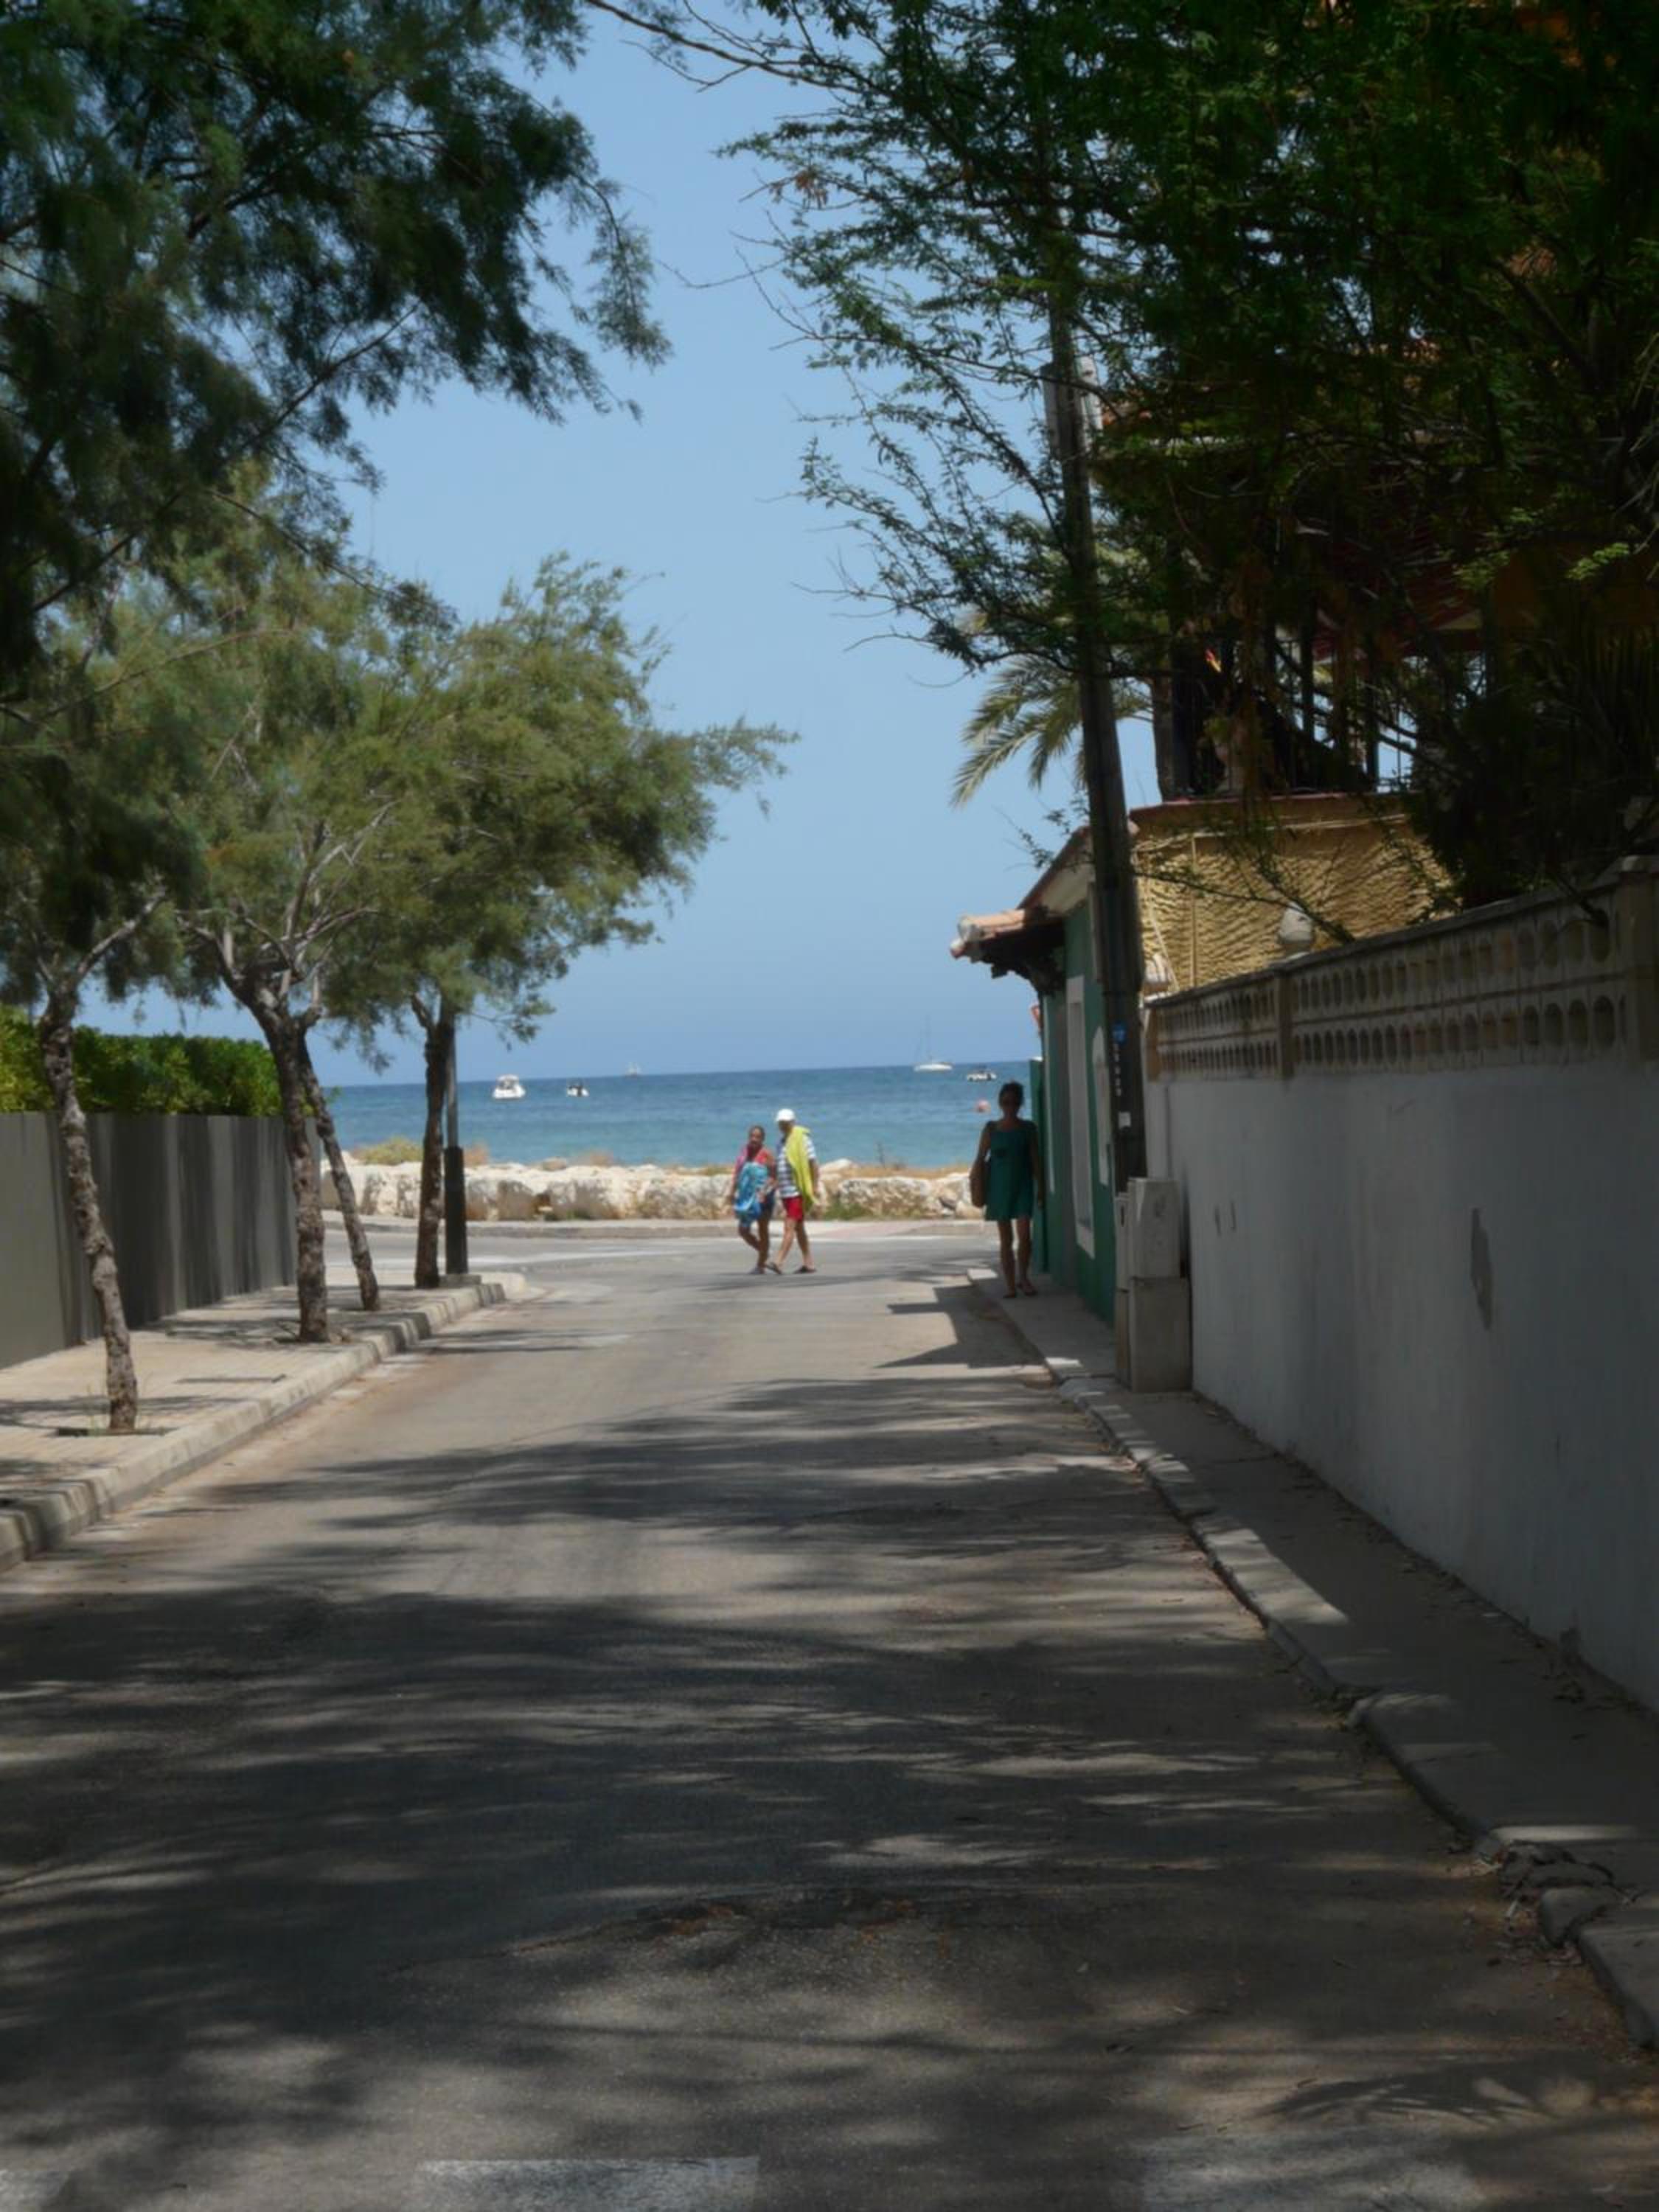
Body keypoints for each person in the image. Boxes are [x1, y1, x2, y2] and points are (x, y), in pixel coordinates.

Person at [975, 1079, 1041, 1297]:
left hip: (1022, 1185)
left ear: (1020, 1104)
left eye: (1013, 1103)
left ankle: (1024, 1278)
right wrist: (978, 1187)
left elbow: (1036, 1160)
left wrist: (1041, 1186)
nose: (1009, 1107)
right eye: (1005, 1102)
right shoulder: (991, 1129)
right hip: (998, 1188)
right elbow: (980, 1159)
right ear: (1000, 1103)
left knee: (1025, 1236)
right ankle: (1011, 1285)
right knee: (1006, 1239)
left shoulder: (1028, 1128)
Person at [767, 1107, 820, 1275]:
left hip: (797, 1190)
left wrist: (815, 1185)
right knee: (799, 1228)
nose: (783, 1125)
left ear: (793, 1122)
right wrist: (774, 1182)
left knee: (789, 1226)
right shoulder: (781, 1143)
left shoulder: (803, 1140)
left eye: (786, 1122)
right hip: (785, 1192)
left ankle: (778, 1261)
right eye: (781, 1123)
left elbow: (813, 1164)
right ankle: (809, 1263)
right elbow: (779, 1166)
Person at [727, 1124, 775, 1273]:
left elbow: (774, 1177)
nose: (754, 1139)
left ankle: (760, 1265)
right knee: (743, 1231)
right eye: (752, 1136)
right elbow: (737, 1174)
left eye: (758, 1137)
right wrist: (731, 1192)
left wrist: (764, 1192)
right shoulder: (744, 1152)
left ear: (763, 1139)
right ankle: (764, 1252)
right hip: (746, 1199)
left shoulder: (766, 1154)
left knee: (763, 1229)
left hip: (763, 1198)